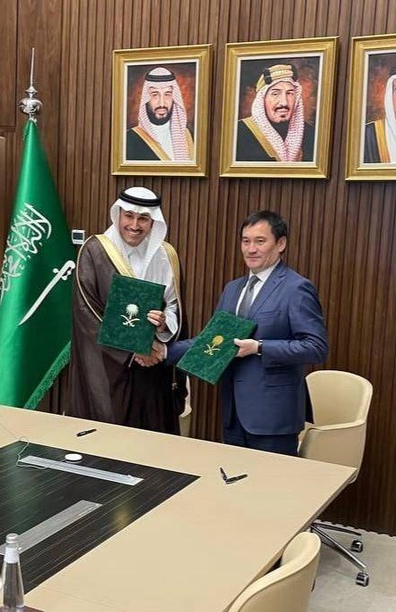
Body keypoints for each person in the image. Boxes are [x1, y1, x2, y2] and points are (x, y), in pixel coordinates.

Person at [165, 210, 327, 456]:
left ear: (281, 244)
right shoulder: (233, 289)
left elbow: (316, 347)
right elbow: (212, 340)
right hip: (233, 413)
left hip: (273, 418)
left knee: (272, 480)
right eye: (245, 241)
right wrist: (162, 352)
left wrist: (259, 347)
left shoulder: (296, 288)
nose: (251, 249)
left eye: (260, 241)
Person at [67, 186, 186, 433]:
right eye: (129, 216)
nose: (134, 225)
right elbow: (87, 314)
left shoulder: (166, 255)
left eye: (143, 218)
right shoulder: (95, 251)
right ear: (118, 215)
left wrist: (164, 324)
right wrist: (134, 351)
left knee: (151, 439)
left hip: (153, 369)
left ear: (153, 222)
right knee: (109, 440)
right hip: (106, 369)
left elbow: (175, 306)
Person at [236, 63, 315, 163]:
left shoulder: (311, 134)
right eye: (275, 94)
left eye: (290, 93)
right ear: (262, 99)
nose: (284, 102)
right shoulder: (239, 133)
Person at [126, 67, 195, 162]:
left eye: (167, 94)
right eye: (155, 95)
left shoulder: (189, 136)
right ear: (146, 99)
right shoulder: (129, 139)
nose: (162, 103)